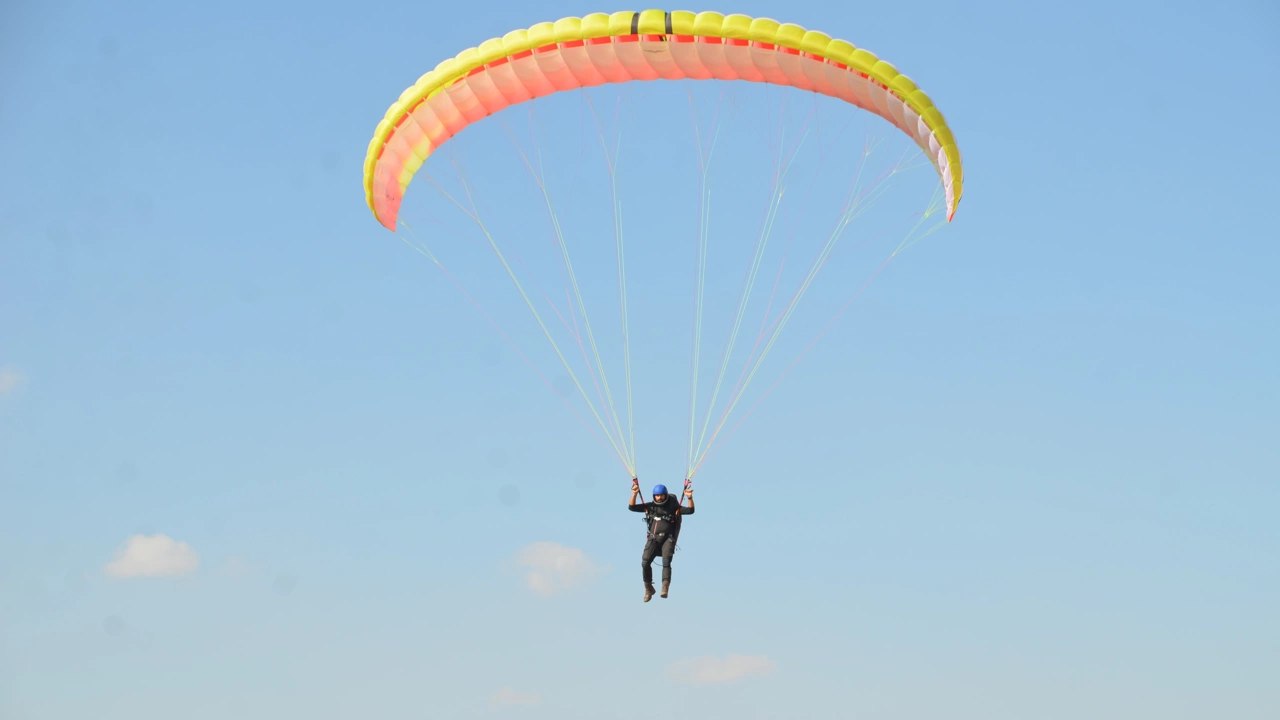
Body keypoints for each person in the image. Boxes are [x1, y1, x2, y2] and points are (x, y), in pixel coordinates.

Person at [629, 478, 695, 602]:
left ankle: (665, 587)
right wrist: (634, 493)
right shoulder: (651, 507)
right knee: (645, 562)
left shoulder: (674, 507)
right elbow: (632, 507)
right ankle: (649, 588)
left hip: (668, 539)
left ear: (665, 495)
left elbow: (690, 510)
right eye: (657, 496)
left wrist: (690, 498)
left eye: (661, 495)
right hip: (653, 538)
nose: (659, 498)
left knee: (666, 562)